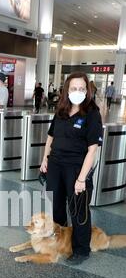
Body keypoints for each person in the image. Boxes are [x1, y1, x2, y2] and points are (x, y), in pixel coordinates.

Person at [40, 72, 103, 265]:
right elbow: (51, 137)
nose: (78, 92)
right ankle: (61, 240)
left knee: (79, 211)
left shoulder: (92, 114)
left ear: (87, 91)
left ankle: (81, 249)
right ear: (67, 90)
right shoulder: (61, 111)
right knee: (56, 205)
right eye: (74, 88)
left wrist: (82, 179)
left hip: (77, 169)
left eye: (82, 88)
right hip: (55, 165)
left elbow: (92, 150)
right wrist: (45, 159)